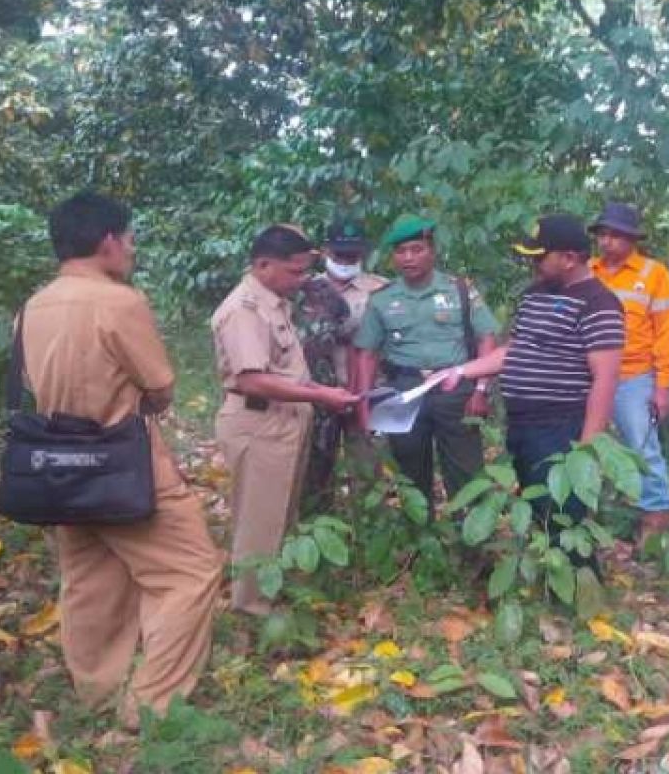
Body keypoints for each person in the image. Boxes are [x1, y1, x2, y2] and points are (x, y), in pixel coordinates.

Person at [20, 191, 224, 728]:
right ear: (108, 241)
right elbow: (159, 385)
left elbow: (27, 386)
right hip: (125, 469)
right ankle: (151, 708)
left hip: (57, 469)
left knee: (90, 579)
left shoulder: (32, 306)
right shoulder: (119, 301)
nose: (132, 248)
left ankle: (97, 692)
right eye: (129, 238)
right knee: (191, 572)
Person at [433, 214, 624, 571]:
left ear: (569, 258)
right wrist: (461, 371)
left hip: (561, 425)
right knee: (539, 508)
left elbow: (606, 378)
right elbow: (513, 350)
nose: (532, 263)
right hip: (523, 423)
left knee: (564, 512)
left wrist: (587, 447)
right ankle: (552, 583)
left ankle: (580, 593)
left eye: (540, 257)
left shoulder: (599, 303)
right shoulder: (536, 294)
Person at [212, 224, 358, 616]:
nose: (302, 280)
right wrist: (320, 394)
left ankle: (274, 599)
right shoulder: (244, 309)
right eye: (295, 272)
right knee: (259, 526)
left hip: (283, 423)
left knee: (281, 518)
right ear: (263, 265)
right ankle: (251, 611)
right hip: (259, 425)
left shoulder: (274, 302)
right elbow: (251, 378)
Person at [352, 215, 499, 506]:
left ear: (432, 251)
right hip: (403, 390)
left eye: (416, 249)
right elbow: (366, 353)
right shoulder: (382, 299)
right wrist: (365, 403)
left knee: (466, 471)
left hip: (454, 389)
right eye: (401, 251)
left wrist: (482, 389)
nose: (408, 258)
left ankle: (470, 543)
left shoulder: (459, 290)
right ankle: (418, 543)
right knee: (409, 473)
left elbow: (487, 339)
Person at [588, 201, 669, 541]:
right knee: (585, 445)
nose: (607, 242)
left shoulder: (653, 274)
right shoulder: (588, 270)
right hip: (590, 376)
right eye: (603, 235)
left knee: (642, 448)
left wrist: (663, 385)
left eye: (615, 236)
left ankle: (654, 524)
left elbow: (666, 331)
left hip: (634, 376)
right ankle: (588, 519)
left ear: (632, 239)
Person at [298, 219, 388, 493]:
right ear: (325, 251)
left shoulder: (382, 290)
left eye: (353, 255)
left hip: (367, 393)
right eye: (340, 255)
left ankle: (367, 530)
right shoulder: (303, 291)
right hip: (316, 394)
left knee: (368, 473)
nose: (347, 261)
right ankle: (314, 524)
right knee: (312, 475)